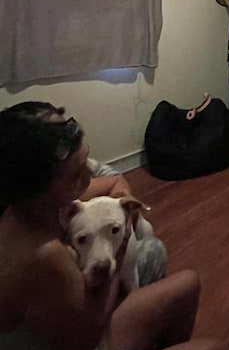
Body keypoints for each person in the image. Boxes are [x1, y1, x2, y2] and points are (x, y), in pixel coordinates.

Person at [0, 101, 226, 350]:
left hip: (61, 347)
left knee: (188, 283)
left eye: (87, 165)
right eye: (77, 174)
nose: (87, 180)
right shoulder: (43, 254)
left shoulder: (25, 206)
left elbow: (112, 184)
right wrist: (116, 257)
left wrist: (123, 203)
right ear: (41, 187)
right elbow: (89, 334)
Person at [14, 102, 168, 288]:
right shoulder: (45, 250)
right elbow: (90, 317)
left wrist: (118, 204)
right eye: (77, 173)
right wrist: (121, 253)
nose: (90, 174)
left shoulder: (49, 196)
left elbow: (113, 179)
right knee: (159, 255)